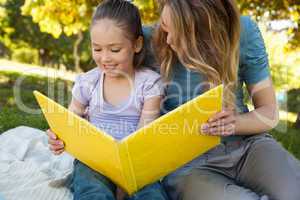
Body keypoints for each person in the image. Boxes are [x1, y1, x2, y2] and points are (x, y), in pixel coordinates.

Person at [142, 0, 300, 199]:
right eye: (164, 27)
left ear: (207, 31)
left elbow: (269, 112)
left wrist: (235, 123)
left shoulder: (243, 33)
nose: (168, 39)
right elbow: (106, 57)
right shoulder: (148, 39)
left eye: (178, 32)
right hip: (191, 167)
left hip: (248, 147)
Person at [47, 0, 169, 200]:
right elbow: (70, 122)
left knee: (151, 194)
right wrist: (58, 138)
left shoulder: (149, 84)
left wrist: (123, 181)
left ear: (137, 44)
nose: (105, 58)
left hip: (135, 165)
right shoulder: (88, 82)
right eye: (97, 49)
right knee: (92, 190)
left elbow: (143, 139)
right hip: (94, 161)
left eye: (114, 50)